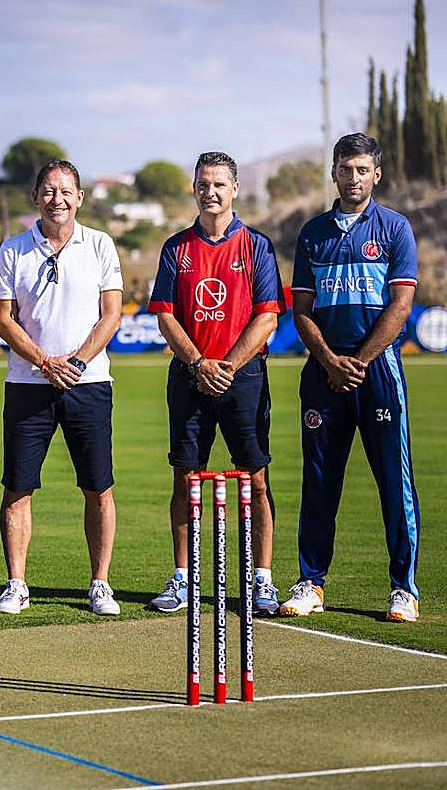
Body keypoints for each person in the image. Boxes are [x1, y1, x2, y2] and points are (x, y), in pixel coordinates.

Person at [280, 132, 422, 622]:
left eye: (363, 169)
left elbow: (401, 305)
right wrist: (328, 360)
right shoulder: (313, 233)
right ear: (334, 172)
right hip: (324, 372)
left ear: (376, 175)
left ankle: (403, 588)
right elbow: (300, 311)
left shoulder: (395, 229)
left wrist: (358, 360)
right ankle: (310, 582)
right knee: (320, 481)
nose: (354, 177)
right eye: (346, 168)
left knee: (392, 479)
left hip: (377, 369)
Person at [146, 151, 285, 616]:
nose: (211, 192)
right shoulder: (176, 248)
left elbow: (267, 317)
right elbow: (165, 316)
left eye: (219, 184)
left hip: (243, 379)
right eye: (203, 183)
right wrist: (199, 363)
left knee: (256, 479)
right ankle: (183, 578)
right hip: (189, 378)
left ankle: (261, 580)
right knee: (186, 479)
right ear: (194, 188)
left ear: (235, 189)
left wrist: (225, 365)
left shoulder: (257, 246)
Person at [0, 160, 124, 617]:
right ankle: (16, 583)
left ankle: (100, 584)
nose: (57, 199)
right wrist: (45, 362)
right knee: (18, 488)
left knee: (98, 487)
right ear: (35, 197)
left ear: (80, 197)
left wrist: (78, 361)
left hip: (89, 383)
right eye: (49, 191)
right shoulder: (12, 250)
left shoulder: (101, 245)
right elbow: (5, 320)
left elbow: (112, 314)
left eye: (66, 191)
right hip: (28, 383)